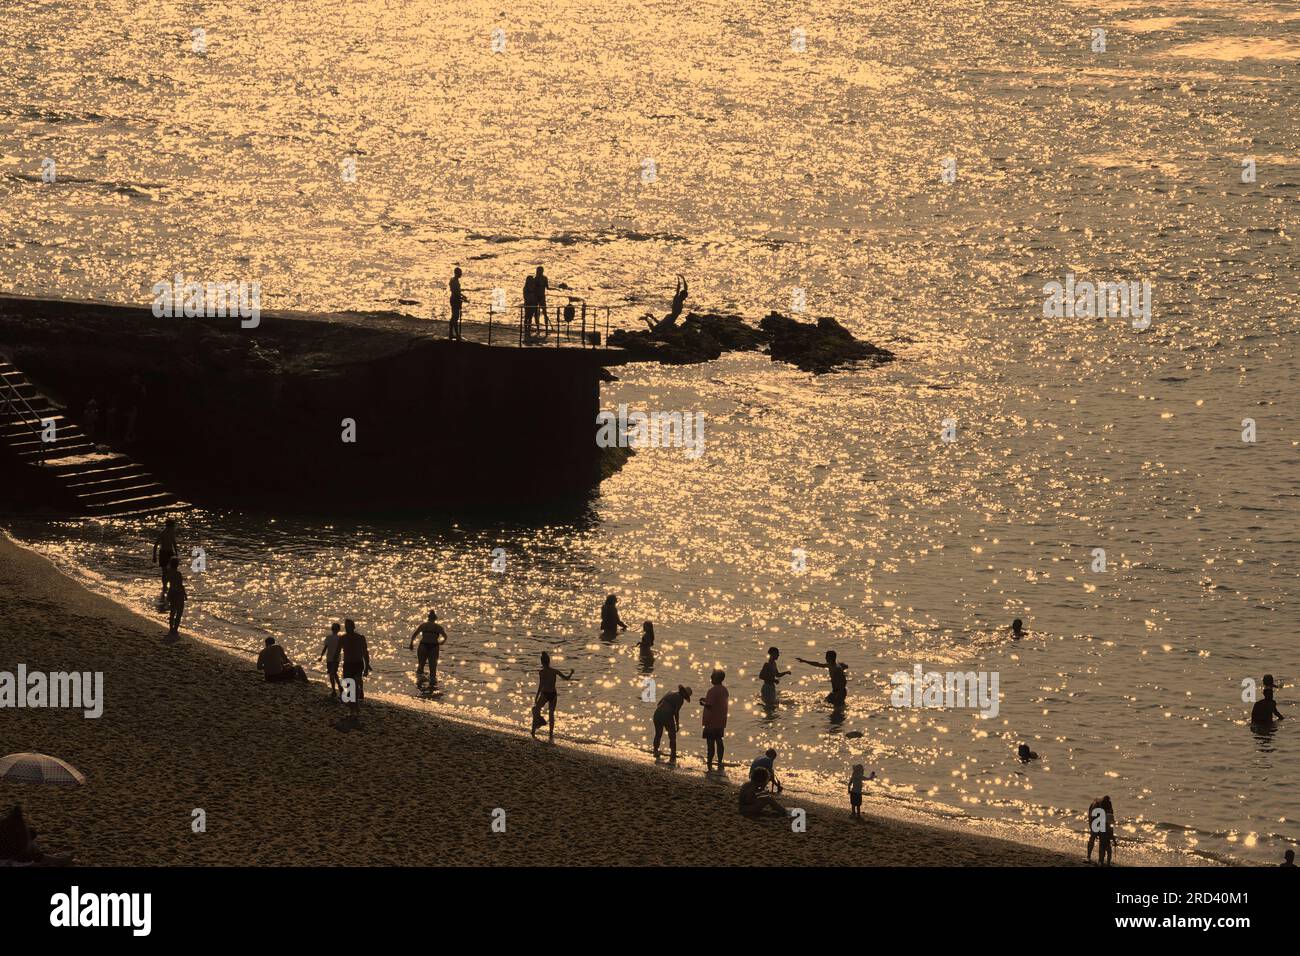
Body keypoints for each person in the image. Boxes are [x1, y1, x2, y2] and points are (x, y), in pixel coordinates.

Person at [531, 652, 573, 741]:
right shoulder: (554, 671)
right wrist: (571, 673)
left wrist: (537, 696)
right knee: (551, 715)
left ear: (542, 662)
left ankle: (534, 731)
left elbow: (541, 685)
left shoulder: (541, 672)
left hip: (545, 694)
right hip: (553, 694)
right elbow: (566, 678)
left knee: (535, 710)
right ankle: (550, 735)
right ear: (549, 661)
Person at [339, 619, 371, 719]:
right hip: (347, 664)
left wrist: (366, 666)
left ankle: (354, 708)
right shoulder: (343, 638)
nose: (347, 628)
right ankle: (353, 707)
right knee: (348, 686)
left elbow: (365, 652)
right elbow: (337, 651)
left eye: (349, 626)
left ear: (353, 627)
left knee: (355, 684)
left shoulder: (360, 638)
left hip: (358, 663)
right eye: (346, 626)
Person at [652, 685, 692, 761]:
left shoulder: (670, 693)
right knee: (672, 735)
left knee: (658, 734)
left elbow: (659, 703)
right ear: (684, 694)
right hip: (667, 715)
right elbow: (676, 712)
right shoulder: (680, 699)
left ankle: (655, 750)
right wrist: (677, 724)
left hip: (657, 714)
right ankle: (673, 754)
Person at [409, 610, 447, 687]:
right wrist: (442, 642)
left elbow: (414, 635)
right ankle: (432, 686)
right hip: (434, 646)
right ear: (435, 618)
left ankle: (419, 684)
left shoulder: (423, 625)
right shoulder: (438, 627)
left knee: (421, 666)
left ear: (428, 618)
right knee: (433, 668)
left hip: (423, 645)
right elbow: (445, 637)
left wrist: (411, 644)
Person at [701, 669, 729, 770]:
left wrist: (703, 703)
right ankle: (720, 761)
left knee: (710, 743)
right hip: (721, 720)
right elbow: (719, 703)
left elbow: (710, 706)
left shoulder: (712, 691)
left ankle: (709, 762)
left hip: (711, 721)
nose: (711, 678)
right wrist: (706, 701)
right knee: (719, 740)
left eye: (712, 676)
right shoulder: (724, 690)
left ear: (717, 678)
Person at [152, 517, 178, 601]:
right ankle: (165, 586)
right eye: (173, 526)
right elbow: (156, 544)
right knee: (166, 571)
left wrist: (176, 553)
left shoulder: (170, 532)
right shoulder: (163, 533)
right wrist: (154, 556)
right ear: (170, 525)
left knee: (169, 571)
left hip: (168, 553)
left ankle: (167, 586)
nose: (174, 527)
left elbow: (173, 543)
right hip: (164, 553)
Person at [1087, 795, 1116, 865]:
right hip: (1094, 817)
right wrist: (1094, 829)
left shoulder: (1109, 806)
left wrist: (1111, 834)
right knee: (1093, 836)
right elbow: (1092, 819)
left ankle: (1102, 861)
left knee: (1103, 840)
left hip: (1100, 818)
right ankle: (1088, 856)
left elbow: (1111, 821)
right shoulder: (1095, 805)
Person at [162, 556, 186, 637]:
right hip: (179, 594)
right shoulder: (178, 574)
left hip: (172, 593)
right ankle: (175, 629)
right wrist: (185, 594)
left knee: (172, 612)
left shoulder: (169, 574)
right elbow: (181, 585)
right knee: (179, 613)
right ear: (177, 565)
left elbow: (165, 582)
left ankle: (171, 628)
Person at [317, 622, 342, 696]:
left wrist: (321, 656)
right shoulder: (338, 638)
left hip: (332, 658)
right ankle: (339, 687)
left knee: (332, 673)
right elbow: (326, 648)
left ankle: (334, 690)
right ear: (338, 630)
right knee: (333, 673)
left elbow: (325, 648)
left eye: (334, 628)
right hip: (334, 658)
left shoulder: (331, 638)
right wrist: (321, 656)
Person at [448, 267, 468, 340]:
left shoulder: (453, 280)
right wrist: (462, 298)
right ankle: (456, 334)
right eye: (460, 273)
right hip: (455, 300)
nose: (461, 274)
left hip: (454, 299)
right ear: (457, 273)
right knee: (455, 317)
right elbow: (456, 293)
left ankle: (451, 333)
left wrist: (462, 296)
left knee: (454, 317)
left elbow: (456, 292)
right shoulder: (455, 281)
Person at [532, 266, 549, 334]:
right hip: (537, 297)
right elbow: (547, 287)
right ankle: (538, 328)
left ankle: (545, 327)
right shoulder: (536, 279)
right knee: (537, 313)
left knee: (544, 313)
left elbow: (547, 287)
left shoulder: (542, 278)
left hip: (541, 297)